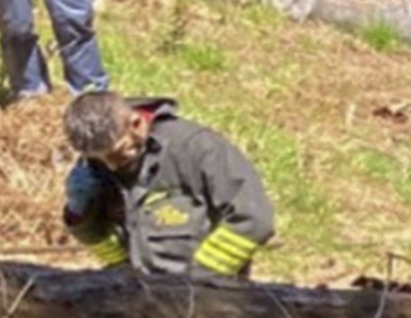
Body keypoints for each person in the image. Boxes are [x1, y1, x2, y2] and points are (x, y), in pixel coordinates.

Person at [63, 91, 275, 281]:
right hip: (139, 298)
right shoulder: (94, 163)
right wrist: (82, 216)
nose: (111, 166)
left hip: (206, 297)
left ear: (136, 124)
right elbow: (106, 242)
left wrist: (201, 280)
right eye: (101, 160)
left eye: (119, 154)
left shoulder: (196, 148)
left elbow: (253, 219)